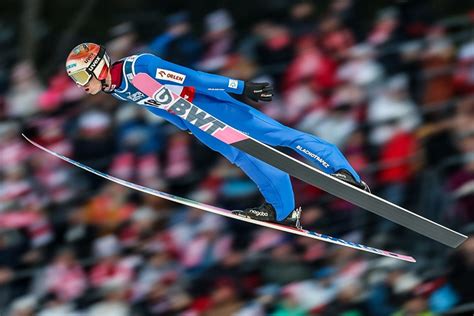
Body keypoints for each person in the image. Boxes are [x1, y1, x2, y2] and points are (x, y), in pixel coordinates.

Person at [65, 42, 369, 228]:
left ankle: (343, 171)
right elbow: (161, 106)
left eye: (80, 77)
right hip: (195, 121)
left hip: (213, 106)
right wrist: (185, 124)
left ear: (98, 66)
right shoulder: (116, 89)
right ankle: (283, 210)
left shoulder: (139, 67)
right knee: (244, 156)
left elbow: (193, 78)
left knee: (278, 137)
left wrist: (240, 87)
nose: (80, 85)